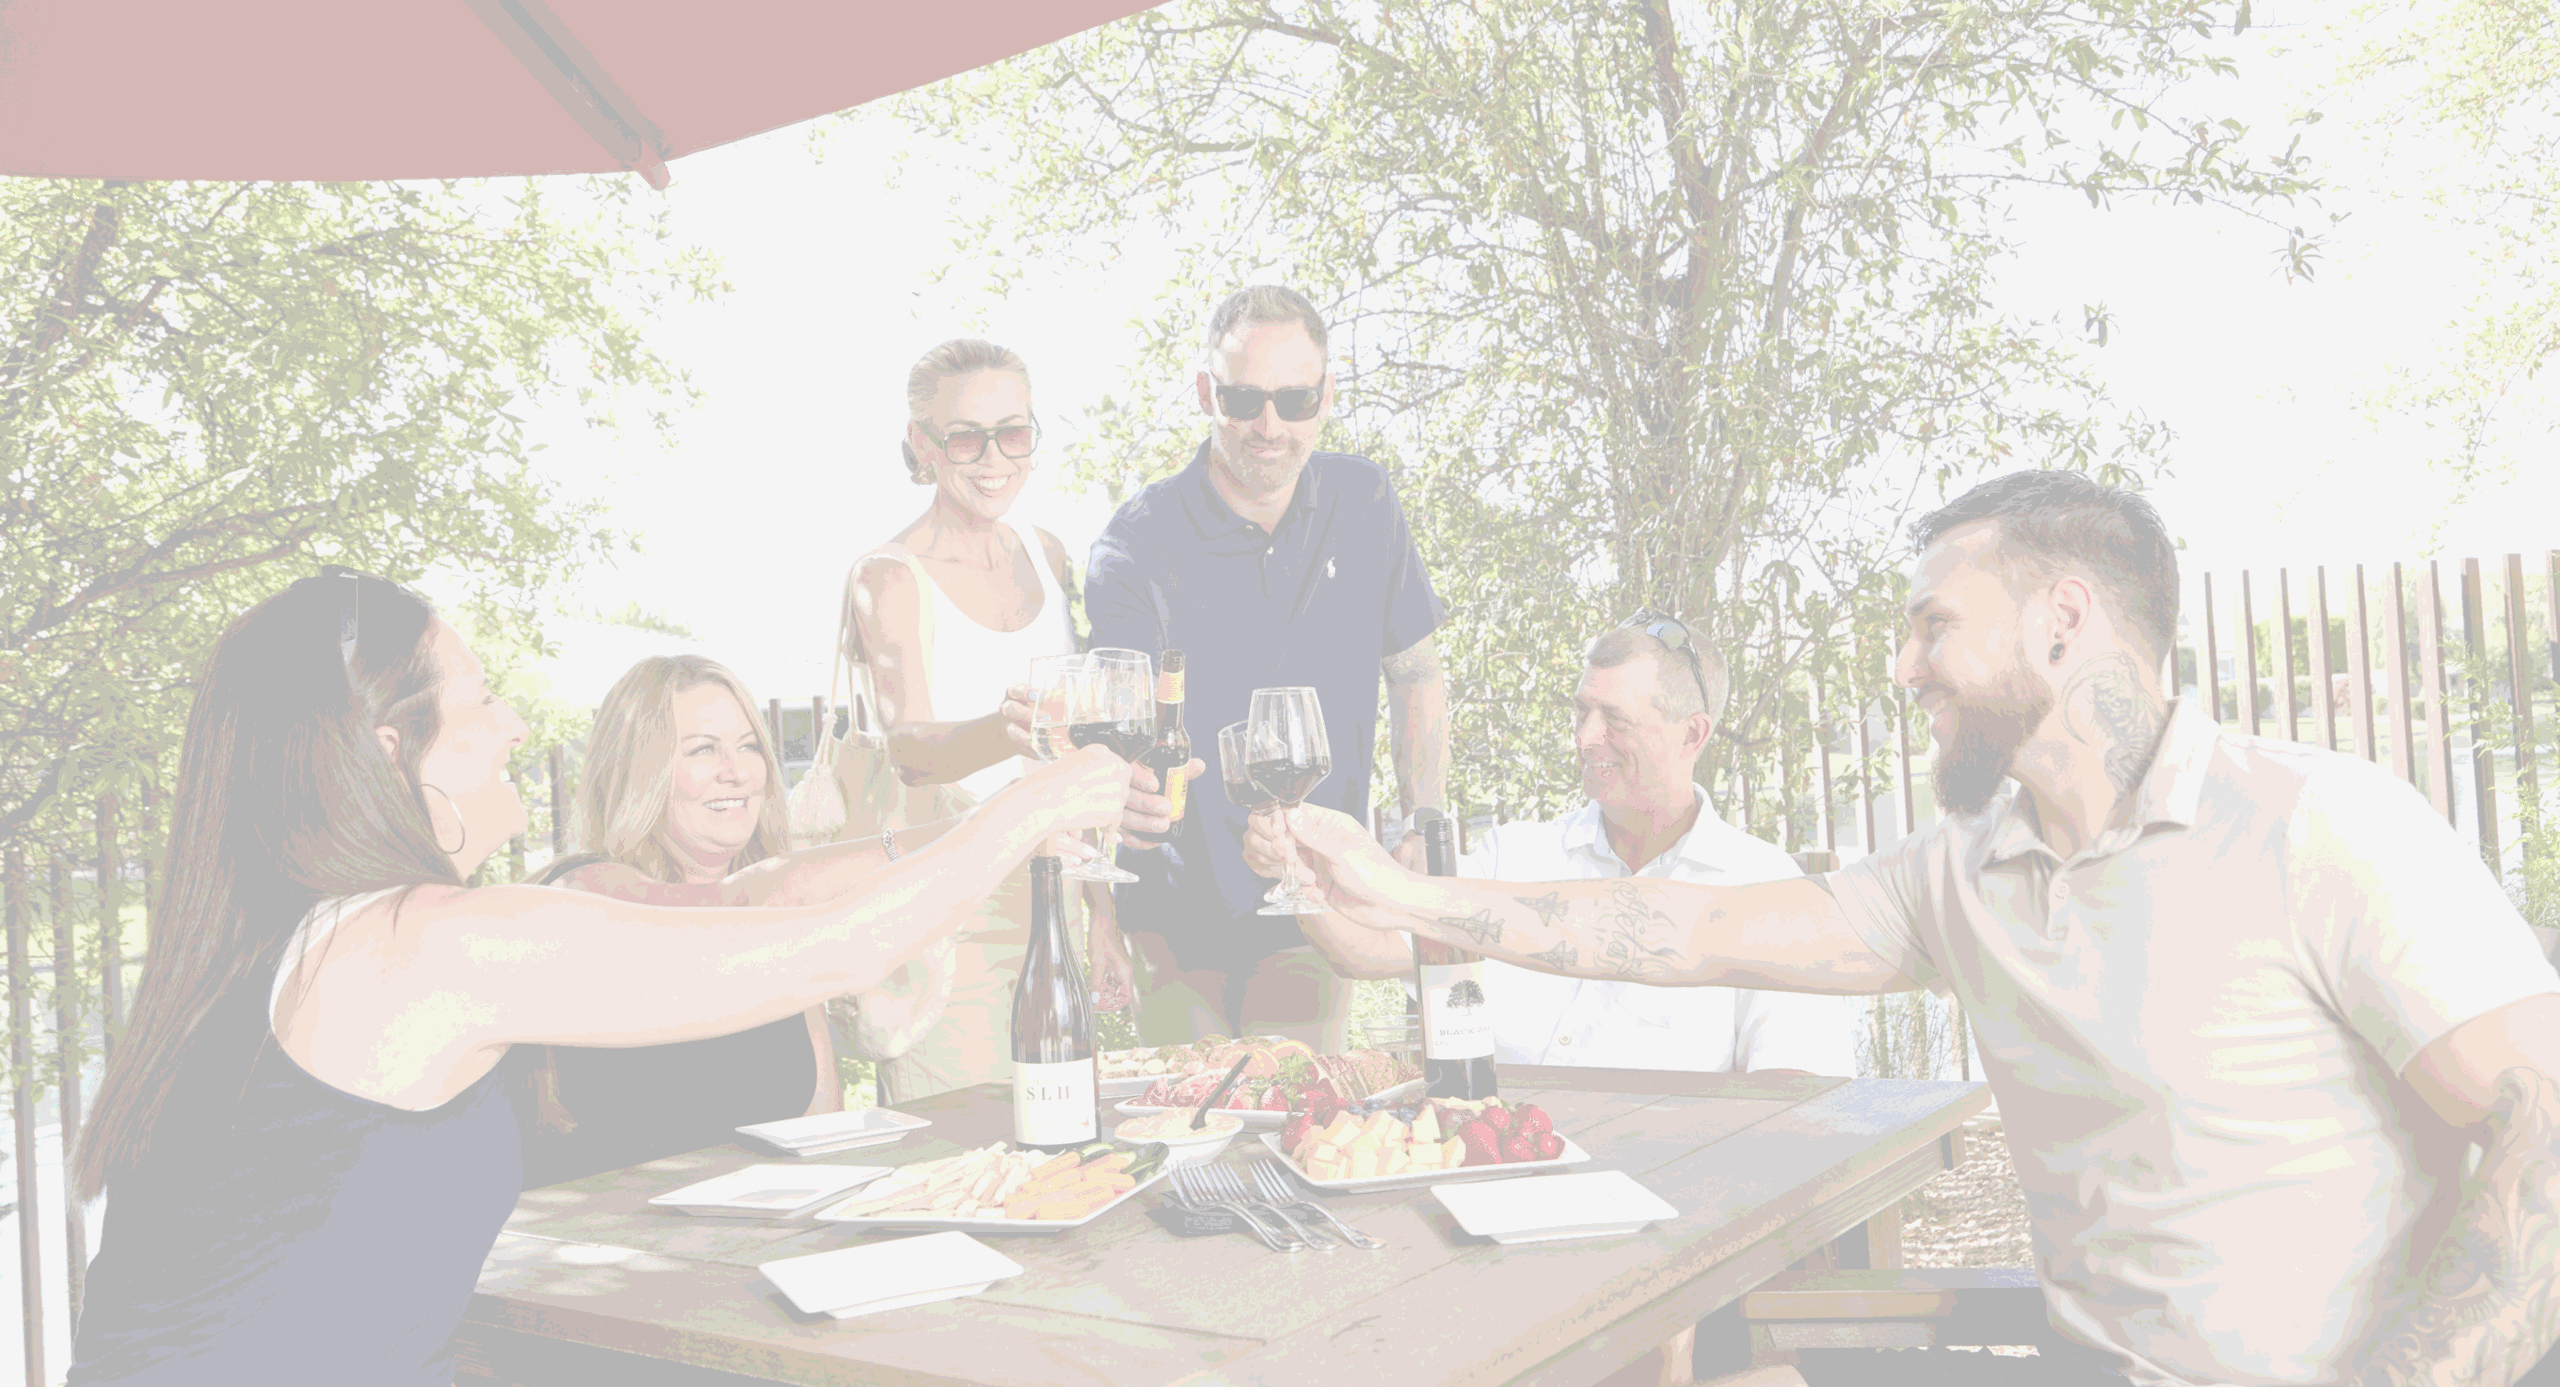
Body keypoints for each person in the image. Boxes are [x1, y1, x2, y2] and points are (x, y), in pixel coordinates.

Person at [1250, 470, 2560, 1386]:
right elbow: (1676, 924)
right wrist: (1413, 895)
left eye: (1935, 624)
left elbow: (2546, 1126)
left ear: (2063, 622)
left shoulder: (2318, 823)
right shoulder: (1963, 872)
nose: (1904, 665)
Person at [66, 569, 1129, 1383]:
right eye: (481, 700)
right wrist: (1031, 806)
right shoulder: (417, 946)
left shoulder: (290, 947)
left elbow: (785, 893)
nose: (516, 725)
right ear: (395, 753)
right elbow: (836, 945)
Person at [1080, 283, 1449, 1053]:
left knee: (1296, 1114)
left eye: (1295, 399)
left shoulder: (1366, 501)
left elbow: (1414, 673)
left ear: (1327, 394)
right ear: (1207, 391)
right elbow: (1116, 732)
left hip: (1313, 891)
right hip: (1177, 908)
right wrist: (1100, 905)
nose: (1269, 425)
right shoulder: (1137, 543)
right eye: (1246, 399)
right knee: (1198, 1118)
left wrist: (1423, 822)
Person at [1298, 618, 1854, 1077]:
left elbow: (1796, 1089)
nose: (1586, 738)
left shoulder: (1765, 886)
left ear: (1692, 735)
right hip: (1497, 1170)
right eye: (1582, 712)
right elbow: (1373, 951)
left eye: (1615, 719)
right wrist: (1300, 874)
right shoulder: (1510, 857)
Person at [514, 653, 937, 1186]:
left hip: (750, 1238)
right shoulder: (584, 891)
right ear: (639, 771)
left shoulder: (775, 917)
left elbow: (818, 1119)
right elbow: (730, 910)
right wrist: (978, 831)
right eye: (702, 750)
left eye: (748, 746)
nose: (735, 772)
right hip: (607, 1245)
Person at [844, 337, 1109, 1102]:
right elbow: (911, 749)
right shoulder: (890, 576)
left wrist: (1101, 911)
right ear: (920, 444)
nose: (993, 458)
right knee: (958, 1147)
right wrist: (1005, 729)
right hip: (950, 906)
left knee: (1062, 1143)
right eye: (965, 436)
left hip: (1054, 886)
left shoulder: (1047, 553)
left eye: (1014, 433)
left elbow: (1075, 755)